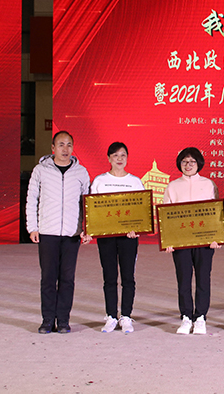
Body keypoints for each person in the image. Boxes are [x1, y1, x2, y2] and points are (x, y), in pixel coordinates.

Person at [26, 131, 91, 334]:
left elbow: (87, 203)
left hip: (72, 233)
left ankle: (63, 320)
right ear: (53, 148)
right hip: (48, 232)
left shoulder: (81, 172)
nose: (65, 149)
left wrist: (87, 229)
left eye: (69, 144)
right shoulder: (40, 170)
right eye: (61, 144)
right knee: (48, 278)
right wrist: (32, 227)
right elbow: (32, 198)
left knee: (67, 278)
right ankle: (47, 320)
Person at [161, 147, 221, 335]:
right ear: (179, 163)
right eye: (185, 161)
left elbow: (216, 213)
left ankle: (201, 317)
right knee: (183, 279)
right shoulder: (172, 186)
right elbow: (166, 215)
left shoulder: (209, 184)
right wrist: (168, 240)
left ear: (199, 163)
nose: (188, 165)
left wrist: (216, 237)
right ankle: (186, 317)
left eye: (192, 161)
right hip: (181, 242)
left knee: (203, 278)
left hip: (205, 241)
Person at [88, 142, 145, 334]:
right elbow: (93, 210)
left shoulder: (135, 182)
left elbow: (141, 210)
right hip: (106, 236)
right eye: (115, 155)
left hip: (128, 237)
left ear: (127, 158)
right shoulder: (100, 181)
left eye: (123, 155)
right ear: (108, 158)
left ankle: (126, 316)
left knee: (128, 277)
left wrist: (136, 228)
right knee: (109, 276)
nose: (119, 159)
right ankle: (111, 315)